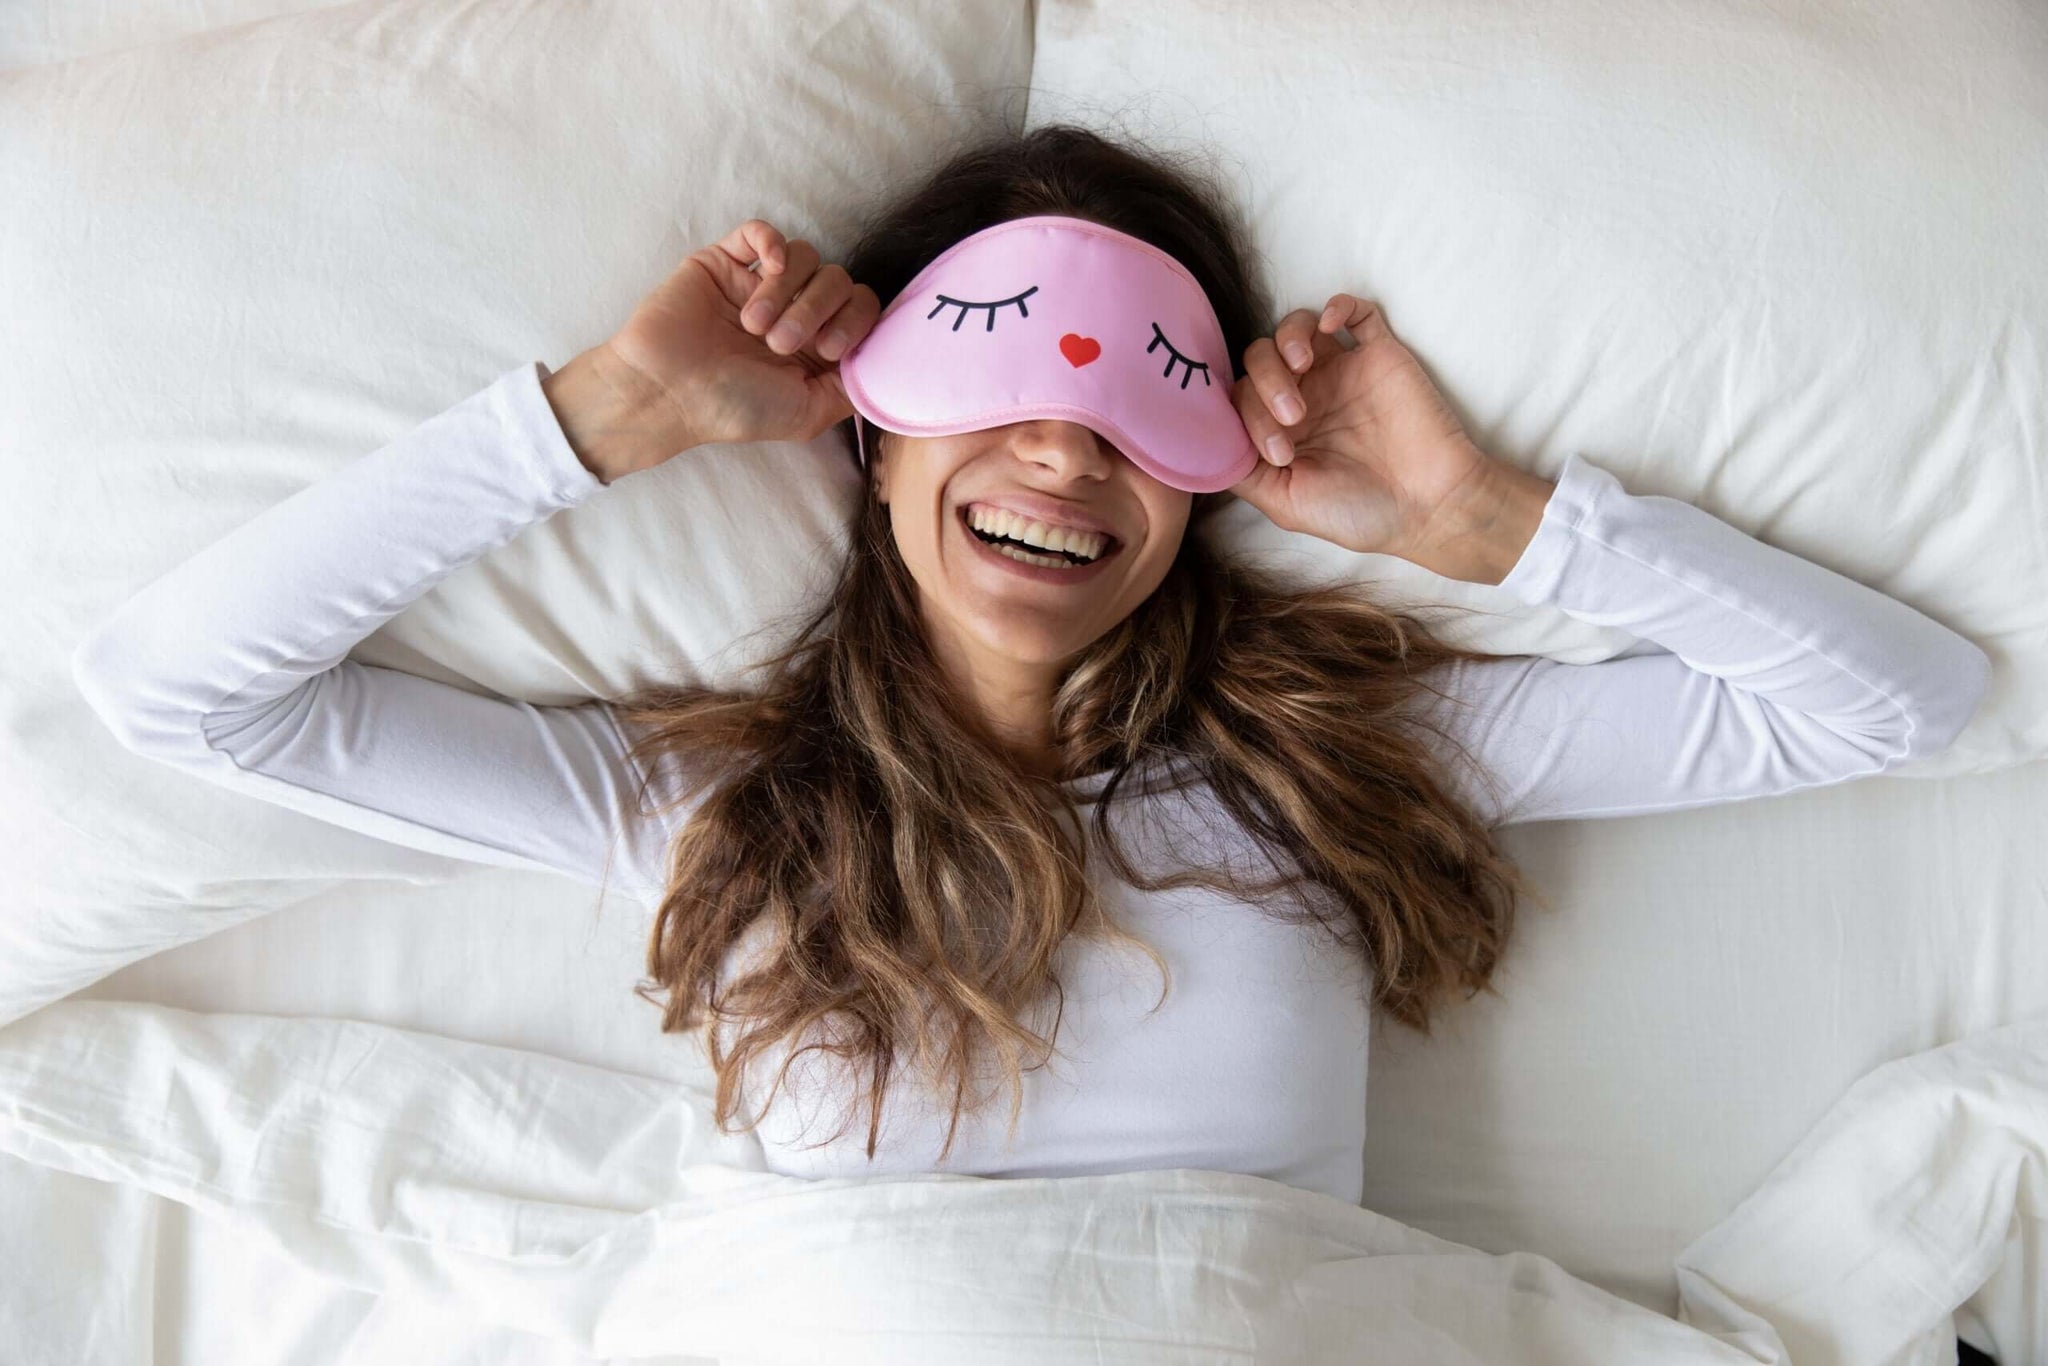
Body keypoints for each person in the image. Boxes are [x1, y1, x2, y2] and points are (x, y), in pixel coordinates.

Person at [71, 123, 1992, 1206]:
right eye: (992, 374)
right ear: (873, 436)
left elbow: (1896, 704)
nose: (1069, 447)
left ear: (1212, 477)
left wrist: (1485, 523)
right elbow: (180, 689)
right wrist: (605, 414)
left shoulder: (1328, 768)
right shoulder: (706, 813)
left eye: (1146, 396)